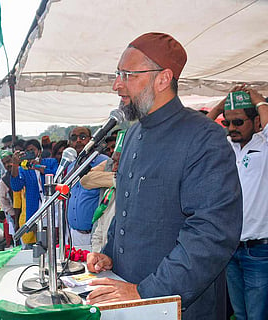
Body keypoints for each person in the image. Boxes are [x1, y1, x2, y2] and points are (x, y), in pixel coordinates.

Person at [86, 32, 242, 320]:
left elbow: (211, 234)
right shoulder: (132, 133)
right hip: (128, 299)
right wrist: (111, 254)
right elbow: (128, 209)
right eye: (117, 74)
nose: (116, 85)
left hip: (176, 307)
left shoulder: (204, 138)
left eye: (127, 75)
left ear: (162, 79)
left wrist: (147, 293)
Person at [207, 86, 268, 320]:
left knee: (257, 316)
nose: (232, 128)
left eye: (239, 122)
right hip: (231, 248)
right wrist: (223, 105)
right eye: (228, 123)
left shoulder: (263, 146)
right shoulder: (225, 148)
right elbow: (202, 130)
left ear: (255, 122)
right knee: (240, 314)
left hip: (259, 250)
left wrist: (257, 99)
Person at [66, 126, 109, 246]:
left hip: (96, 234)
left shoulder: (104, 162)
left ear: (91, 140)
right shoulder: (70, 166)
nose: (78, 140)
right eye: (74, 138)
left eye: (83, 137)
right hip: (74, 233)